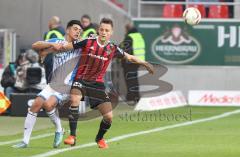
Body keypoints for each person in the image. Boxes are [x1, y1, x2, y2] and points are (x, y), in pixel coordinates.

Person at [51, 18, 154, 149]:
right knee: (75, 99)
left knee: (109, 117)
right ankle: (72, 136)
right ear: (98, 30)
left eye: (107, 30)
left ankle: (99, 138)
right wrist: (47, 48)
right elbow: (65, 46)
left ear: (111, 33)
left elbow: (129, 57)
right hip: (80, 79)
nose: (104, 32)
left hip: (97, 84)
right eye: (102, 29)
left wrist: (146, 64)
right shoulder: (87, 41)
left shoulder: (112, 48)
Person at [12, 20, 82, 148]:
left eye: (79, 30)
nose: (78, 31)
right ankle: (25, 141)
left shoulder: (80, 45)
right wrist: (51, 45)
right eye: (75, 29)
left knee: (48, 104)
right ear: (67, 30)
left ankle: (59, 129)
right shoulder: (58, 41)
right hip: (53, 84)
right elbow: (35, 45)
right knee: (35, 104)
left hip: (67, 86)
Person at [120, 22, 146, 104]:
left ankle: (131, 97)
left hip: (130, 62)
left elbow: (126, 50)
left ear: (127, 29)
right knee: (134, 79)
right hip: (138, 61)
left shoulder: (129, 37)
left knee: (130, 80)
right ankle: (136, 96)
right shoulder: (139, 36)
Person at [44, 16, 65, 83]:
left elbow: (48, 48)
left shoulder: (52, 33)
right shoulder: (62, 34)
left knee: (50, 83)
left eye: (49, 22)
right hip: (61, 61)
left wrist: (45, 61)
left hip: (51, 62)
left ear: (52, 23)